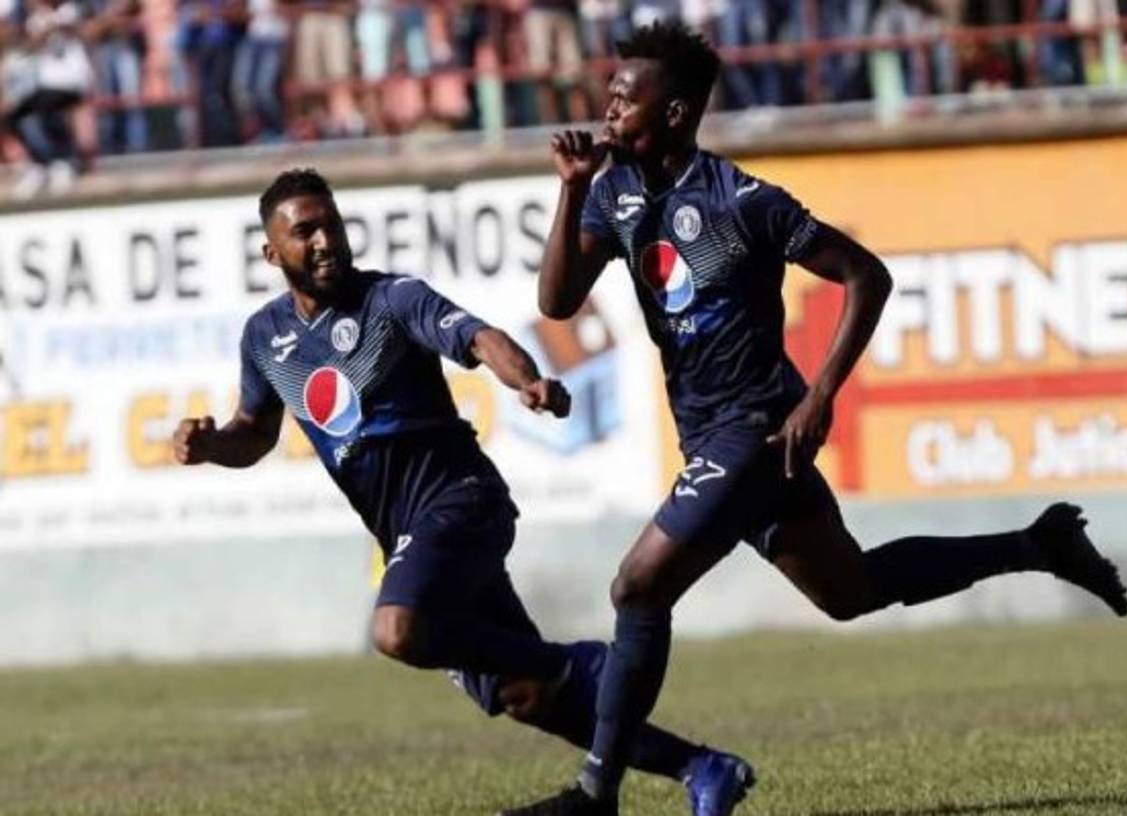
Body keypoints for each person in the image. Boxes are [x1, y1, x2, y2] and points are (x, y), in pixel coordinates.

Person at [502, 21, 1127, 816]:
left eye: (628, 95)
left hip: (758, 427)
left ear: (676, 112)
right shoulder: (613, 190)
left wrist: (820, 395)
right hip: (712, 435)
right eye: (610, 91)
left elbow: (866, 276)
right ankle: (1038, 544)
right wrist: (570, 188)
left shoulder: (742, 200)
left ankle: (598, 793)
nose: (610, 105)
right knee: (849, 590)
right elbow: (557, 301)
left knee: (638, 587)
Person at [171, 168, 756, 816]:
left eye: (330, 224)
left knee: (397, 630)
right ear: (271, 251)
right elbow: (254, 433)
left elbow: (478, 338)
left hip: (461, 501)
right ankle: (703, 768)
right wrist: (210, 446)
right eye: (304, 231)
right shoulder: (264, 337)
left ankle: (576, 662)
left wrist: (527, 380)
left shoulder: (391, 299)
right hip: (410, 535)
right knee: (526, 693)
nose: (324, 241)